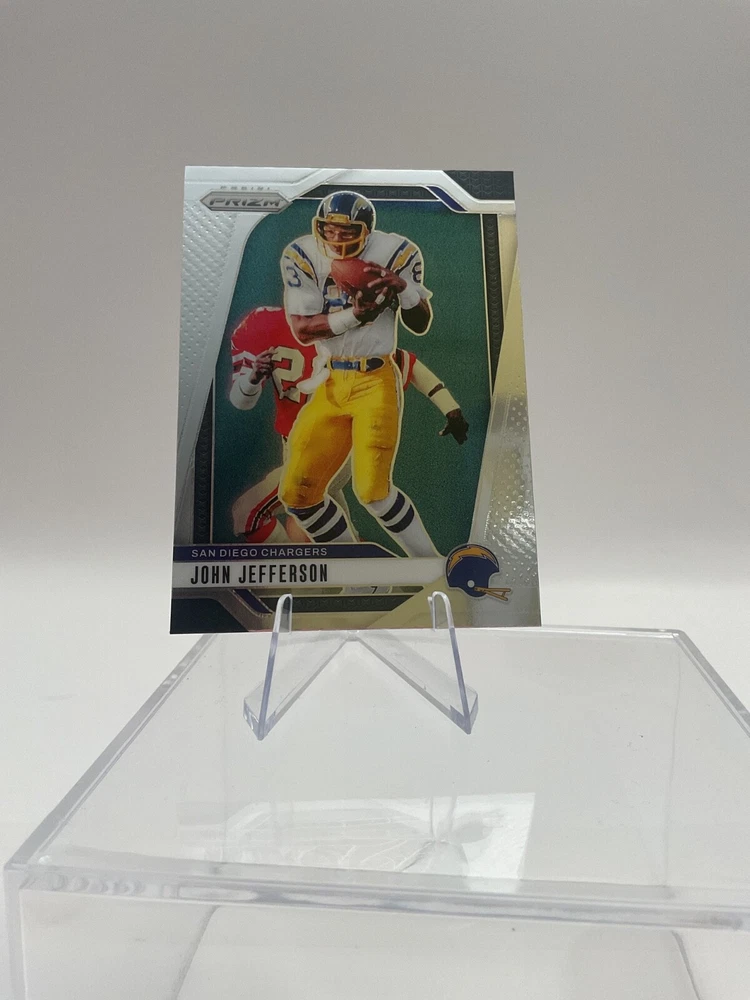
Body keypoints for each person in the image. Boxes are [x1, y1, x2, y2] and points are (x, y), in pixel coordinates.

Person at [278, 191, 440, 556]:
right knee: (297, 495)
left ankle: (433, 567)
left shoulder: (397, 252)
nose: (336, 238)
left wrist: (404, 291)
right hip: (331, 381)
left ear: (366, 231)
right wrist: (355, 315)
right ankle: (360, 572)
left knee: (373, 492)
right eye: (329, 229)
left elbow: (421, 324)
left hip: (374, 379)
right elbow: (303, 330)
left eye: (347, 230)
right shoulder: (302, 254)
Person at [229, 305, 468, 545]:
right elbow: (240, 400)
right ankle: (362, 563)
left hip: (332, 445)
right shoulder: (264, 322)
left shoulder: (343, 321)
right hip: (296, 445)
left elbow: (405, 362)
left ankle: (293, 571)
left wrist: (451, 409)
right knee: (322, 537)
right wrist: (253, 379)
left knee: (248, 514)